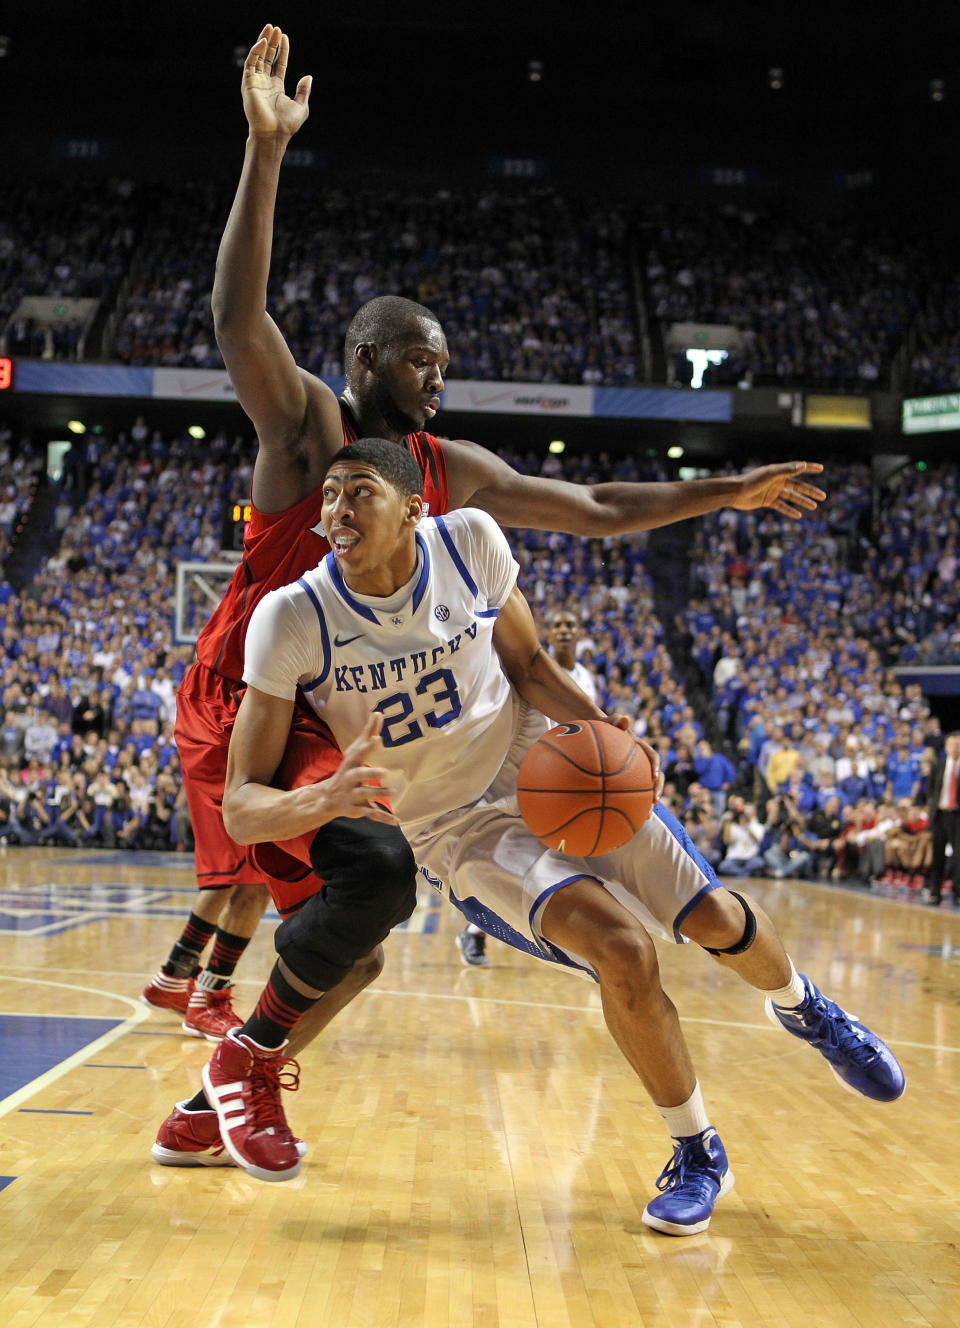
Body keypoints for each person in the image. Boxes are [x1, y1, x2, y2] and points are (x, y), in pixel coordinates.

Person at [141, 21, 830, 1041]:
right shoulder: (307, 432)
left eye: (446, 364)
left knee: (359, 940)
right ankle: (224, 1029)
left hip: (342, 708)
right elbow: (239, 321)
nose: (439, 377)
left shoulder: (447, 470)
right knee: (344, 914)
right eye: (424, 359)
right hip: (251, 685)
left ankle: (236, 1060)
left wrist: (724, 489)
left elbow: (593, 510)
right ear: (369, 356)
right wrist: (267, 147)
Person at [154, 442, 904, 1240]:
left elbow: (531, 663)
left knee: (715, 918)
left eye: (358, 492)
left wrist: (599, 724)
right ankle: (698, 1150)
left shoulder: (470, 541)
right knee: (624, 950)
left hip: (545, 763)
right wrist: (323, 797)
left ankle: (806, 1008)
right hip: (456, 828)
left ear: (415, 510)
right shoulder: (292, 617)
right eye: (330, 494)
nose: (335, 510)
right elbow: (239, 808)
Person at [926, 731, 960, 906]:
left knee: (958, 857)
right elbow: (931, 791)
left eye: (958, 745)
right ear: (946, 747)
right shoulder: (938, 766)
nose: (955, 748)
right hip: (940, 815)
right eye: (952, 744)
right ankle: (934, 893)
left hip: (957, 817)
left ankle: (957, 893)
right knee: (937, 856)